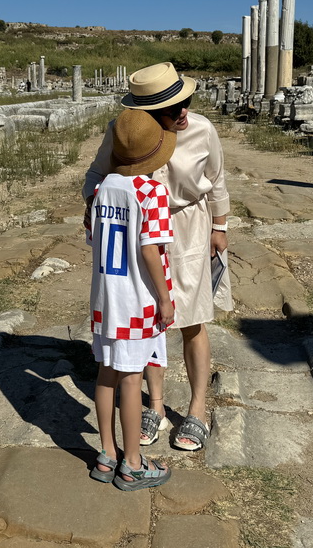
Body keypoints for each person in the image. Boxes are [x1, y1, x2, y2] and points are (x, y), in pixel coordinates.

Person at [83, 62, 229, 453]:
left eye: (186, 102)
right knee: (149, 321)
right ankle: (156, 404)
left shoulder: (201, 129)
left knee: (192, 319)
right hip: (140, 238)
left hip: (189, 230)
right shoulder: (124, 133)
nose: (184, 113)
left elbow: (216, 180)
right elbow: (95, 176)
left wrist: (220, 227)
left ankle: (196, 408)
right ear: (145, 114)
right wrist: (98, 206)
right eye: (172, 109)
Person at [87, 108, 176, 490]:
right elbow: (150, 250)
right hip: (137, 301)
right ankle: (134, 464)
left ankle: (107, 454)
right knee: (131, 379)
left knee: (106, 374)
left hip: (105, 298)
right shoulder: (151, 191)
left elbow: (94, 238)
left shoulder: (101, 188)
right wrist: (165, 299)